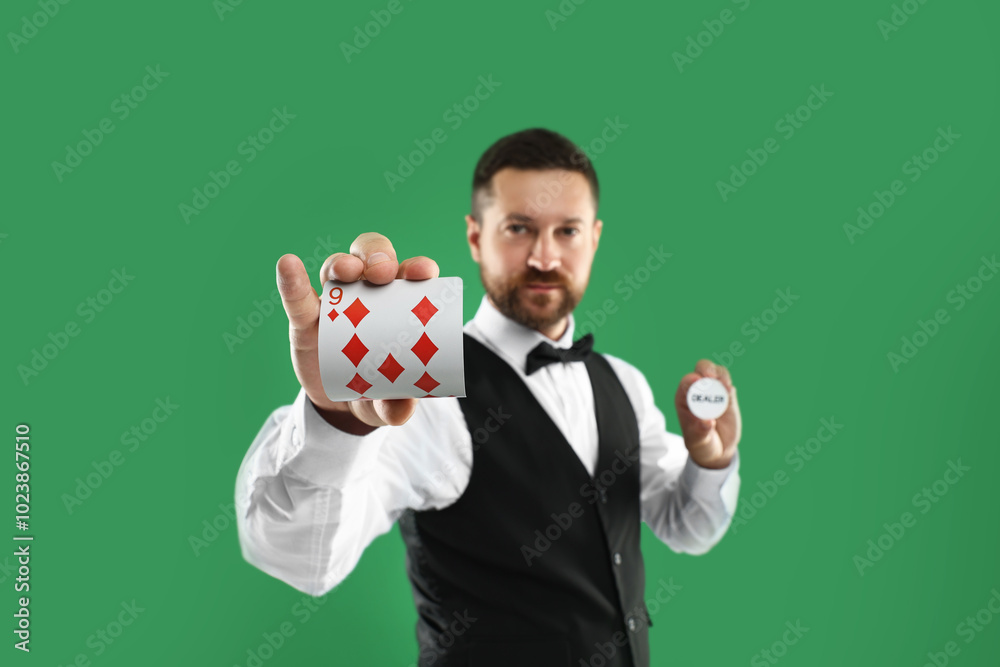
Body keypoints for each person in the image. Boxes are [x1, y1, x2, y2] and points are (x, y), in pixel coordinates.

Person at [235, 128, 742, 667]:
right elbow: (301, 561)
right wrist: (338, 425)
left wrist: (711, 462)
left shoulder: (624, 383)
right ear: (476, 237)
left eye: (567, 231)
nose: (545, 256)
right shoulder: (418, 388)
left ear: (593, 237)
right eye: (519, 228)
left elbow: (687, 528)